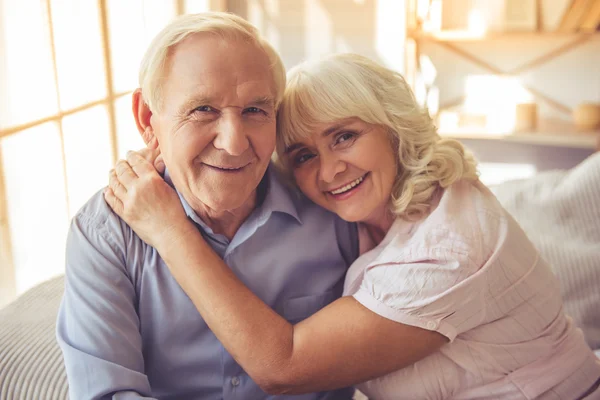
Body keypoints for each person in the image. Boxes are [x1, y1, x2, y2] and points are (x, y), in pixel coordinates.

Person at [105, 53, 600, 399]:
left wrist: (169, 230)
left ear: (392, 125)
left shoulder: (450, 245)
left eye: (344, 136)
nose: (329, 171)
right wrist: (173, 152)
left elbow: (284, 367)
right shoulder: (368, 209)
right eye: (303, 155)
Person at [56, 12, 358, 400]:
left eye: (255, 110)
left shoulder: (333, 207)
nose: (233, 143)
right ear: (148, 118)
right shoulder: (104, 235)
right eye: (203, 110)